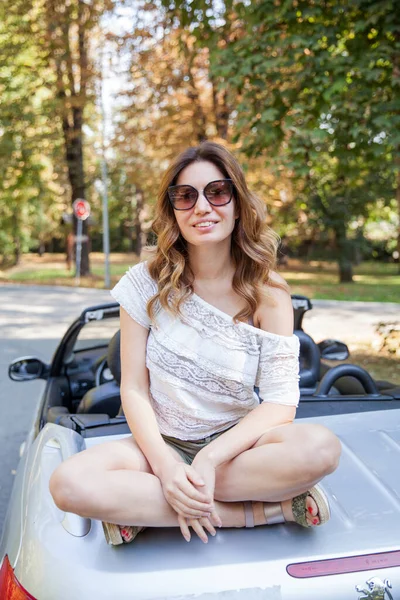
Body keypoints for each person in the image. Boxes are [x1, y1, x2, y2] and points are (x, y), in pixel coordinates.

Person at [49, 142, 341, 546]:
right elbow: (133, 387)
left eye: (217, 192)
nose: (202, 207)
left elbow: (280, 402)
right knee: (69, 483)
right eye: (186, 196)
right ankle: (256, 513)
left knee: (320, 449)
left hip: (238, 448)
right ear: (173, 212)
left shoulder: (268, 291)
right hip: (160, 442)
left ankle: (147, 509)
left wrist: (209, 458)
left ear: (238, 203)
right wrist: (166, 466)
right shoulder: (144, 284)